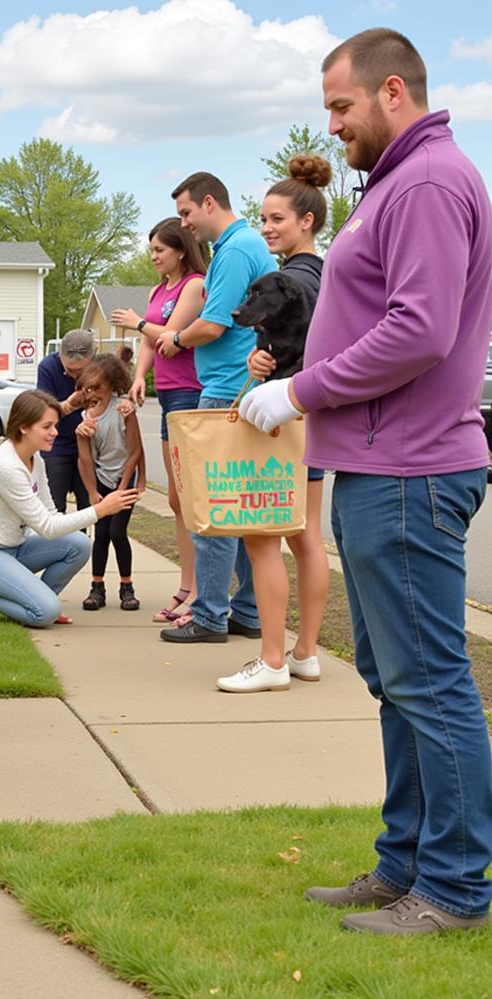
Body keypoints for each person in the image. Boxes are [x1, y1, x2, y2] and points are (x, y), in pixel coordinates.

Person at [240, 28, 492, 935]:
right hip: (388, 463)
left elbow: (419, 329)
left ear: (393, 91)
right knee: (398, 677)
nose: (333, 127)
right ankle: (406, 864)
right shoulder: (402, 180)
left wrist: (300, 388)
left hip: (413, 468)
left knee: (430, 683)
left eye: (341, 108)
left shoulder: (424, 180)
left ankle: (457, 890)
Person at [217, 155, 331, 694]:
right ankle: (305, 651)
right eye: (263, 219)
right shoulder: (329, 273)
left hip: (281, 420)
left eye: (277, 219)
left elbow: (288, 351)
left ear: (306, 221)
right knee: (308, 537)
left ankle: (270, 660)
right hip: (319, 418)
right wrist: (264, 360)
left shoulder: (286, 282)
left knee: (263, 539)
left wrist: (263, 367)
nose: (266, 228)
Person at [157, 172, 276, 644]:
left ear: (209, 203)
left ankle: (209, 615)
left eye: (187, 213)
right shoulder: (247, 245)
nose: (185, 224)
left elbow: (213, 325)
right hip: (240, 387)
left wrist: (175, 337)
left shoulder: (234, 249)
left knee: (213, 509)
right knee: (242, 508)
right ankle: (246, 611)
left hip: (227, 389)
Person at [0, 389, 139, 628]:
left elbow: (51, 514)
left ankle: (38, 601)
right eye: (47, 426)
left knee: (79, 544)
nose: (55, 432)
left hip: (14, 548)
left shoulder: (34, 457)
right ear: (23, 427)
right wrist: (101, 509)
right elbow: (47, 528)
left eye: (55, 425)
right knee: (45, 613)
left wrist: (98, 509)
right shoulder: (7, 466)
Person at [113, 216, 207, 622]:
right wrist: (138, 377)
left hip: (191, 391)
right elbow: (150, 342)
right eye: (150, 250)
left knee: (192, 498)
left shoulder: (195, 285)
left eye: (160, 250)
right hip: (167, 394)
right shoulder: (157, 289)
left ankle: (202, 592)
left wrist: (137, 322)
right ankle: (186, 586)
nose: (153, 257)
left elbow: (169, 333)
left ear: (181, 249)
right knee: (175, 498)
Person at [75, 355, 145, 611]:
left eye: (97, 387)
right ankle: (97, 587)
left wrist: (123, 487)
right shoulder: (85, 419)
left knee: (117, 532)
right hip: (101, 480)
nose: (92, 393)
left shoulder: (124, 410)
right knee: (101, 534)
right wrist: (93, 492)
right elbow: (84, 460)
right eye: (87, 388)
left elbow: (135, 451)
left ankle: (127, 587)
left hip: (123, 478)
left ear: (113, 385)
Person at [35, 329, 97, 512]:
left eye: (81, 371)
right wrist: (70, 405)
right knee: (54, 505)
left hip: (90, 445)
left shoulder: (101, 368)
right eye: (70, 370)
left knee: (87, 506)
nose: (75, 376)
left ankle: (83, 541)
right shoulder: (47, 367)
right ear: (60, 357)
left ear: (93, 358)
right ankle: (57, 542)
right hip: (57, 444)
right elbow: (44, 415)